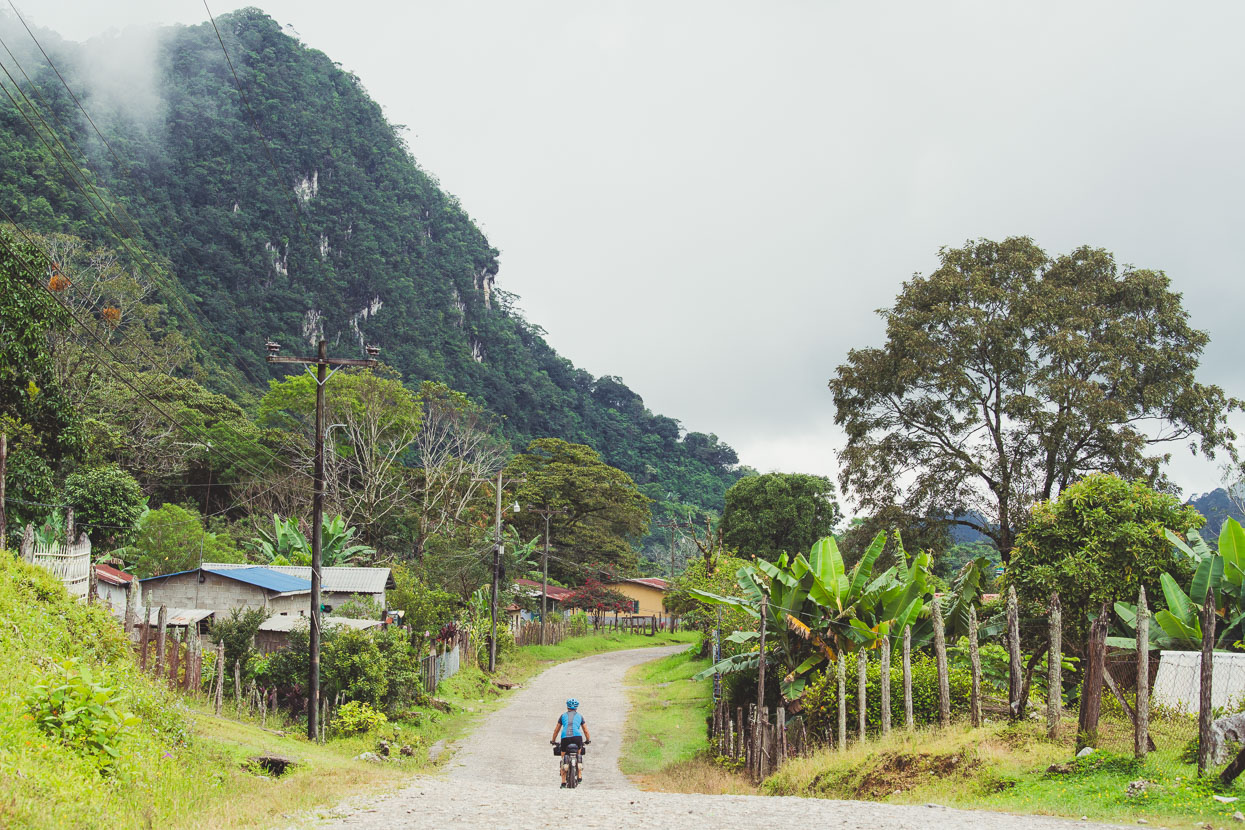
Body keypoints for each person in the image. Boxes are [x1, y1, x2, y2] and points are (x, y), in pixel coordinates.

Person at [550, 697, 591, 787]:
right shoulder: (580, 716)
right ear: (576, 707)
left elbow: (556, 730)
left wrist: (553, 740)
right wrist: (588, 740)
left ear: (567, 706)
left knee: (563, 757)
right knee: (579, 753)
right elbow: (586, 730)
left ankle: (563, 782)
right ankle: (579, 775)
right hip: (577, 738)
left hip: (565, 738)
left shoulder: (563, 716)